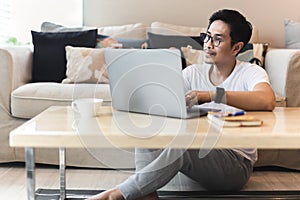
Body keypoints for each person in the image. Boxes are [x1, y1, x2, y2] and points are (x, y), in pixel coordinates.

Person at [87, 9, 276, 200]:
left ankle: (115, 195)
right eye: (207, 37)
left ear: (236, 48)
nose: (208, 45)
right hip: (201, 155)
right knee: (149, 128)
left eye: (217, 39)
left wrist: (211, 95)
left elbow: (266, 100)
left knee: (183, 145)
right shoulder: (193, 73)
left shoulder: (250, 72)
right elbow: (164, 103)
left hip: (235, 164)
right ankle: (146, 193)